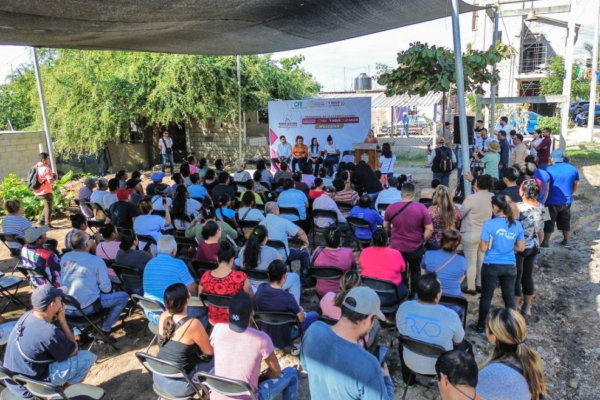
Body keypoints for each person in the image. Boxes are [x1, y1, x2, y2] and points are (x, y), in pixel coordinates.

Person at [3, 284, 97, 398]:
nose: (62, 300)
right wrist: (62, 321)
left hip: (15, 381)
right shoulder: (49, 332)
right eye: (59, 299)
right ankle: (59, 395)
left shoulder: (26, 316)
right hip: (33, 385)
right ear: (52, 305)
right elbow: (74, 350)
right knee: (86, 358)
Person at [301, 286, 394, 399]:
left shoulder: (313, 330)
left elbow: (305, 366)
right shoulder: (369, 365)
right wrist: (386, 378)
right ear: (369, 319)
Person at [211, 292, 299, 400]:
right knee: (292, 373)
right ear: (252, 313)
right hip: (249, 396)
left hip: (217, 395)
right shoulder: (261, 338)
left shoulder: (217, 329)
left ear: (228, 311)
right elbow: (276, 372)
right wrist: (262, 377)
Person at [397, 272, 471, 387]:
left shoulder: (403, 307)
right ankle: (461, 384)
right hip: (441, 367)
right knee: (467, 346)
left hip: (410, 362)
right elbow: (458, 341)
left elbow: (401, 331)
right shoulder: (450, 315)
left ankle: (408, 382)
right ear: (438, 294)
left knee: (402, 343)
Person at [471, 195, 525, 333]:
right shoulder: (517, 224)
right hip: (510, 265)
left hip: (491, 265)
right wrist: (510, 246)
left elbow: (483, 248)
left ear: (495, 207)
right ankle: (512, 328)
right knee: (509, 298)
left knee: (486, 297)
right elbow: (521, 248)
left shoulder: (489, 224)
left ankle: (481, 326)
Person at [60, 231, 129, 338]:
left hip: (67, 309)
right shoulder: (96, 261)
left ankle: (80, 331)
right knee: (124, 296)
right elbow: (106, 289)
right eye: (91, 238)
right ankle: (104, 328)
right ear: (87, 244)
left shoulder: (65, 257)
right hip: (88, 308)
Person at [154, 283, 214, 398]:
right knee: (217, 360)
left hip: (158, 378)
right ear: (188, 299)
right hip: (180, 386)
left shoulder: (164, 316)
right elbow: (209, 352)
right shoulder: (192, 324)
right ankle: (209, 396)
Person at [477, 308, 547, 400]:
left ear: (493, 337)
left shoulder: (495, 373)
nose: (485, 328)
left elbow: (468, 396)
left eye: (487, 326)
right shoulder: (527, 359)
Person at [255, 260, 319, 350]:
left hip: (266, 335)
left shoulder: (261, 288)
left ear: (268, 275)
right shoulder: (288, 298)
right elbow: (301, 319)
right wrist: (299, 309)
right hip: (285, 338)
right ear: (285, 276)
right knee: (315, 315)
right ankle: (299, 343)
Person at [144, 235, 207, 326]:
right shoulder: (178, 264)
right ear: (174, 251)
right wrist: (202, 297)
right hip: (170, 314)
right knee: (205, 310)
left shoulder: (149, 263)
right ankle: (193, 334)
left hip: (150, 312)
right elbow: (192, 289)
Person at [384, 183, 433, 295]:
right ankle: (414, 294)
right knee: (415, 271)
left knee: (401, 272)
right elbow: (429, 228)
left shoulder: (391, 207)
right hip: (415, 246)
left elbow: (385, 225)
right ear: (414, 194)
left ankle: (404, 293)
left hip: (397, 246)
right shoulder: (421, 208)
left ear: (401, 194)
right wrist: (424, 240)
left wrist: (390, 235)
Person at [238, 225, 301, 300]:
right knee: (295, 277)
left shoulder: (242, 250)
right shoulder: (272, 252)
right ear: (265, 238)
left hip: (249, 285)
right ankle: (294, 305)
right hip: (269, 286)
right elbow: (281, 268)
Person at [200, 241, 253, 325]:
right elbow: (250, 298)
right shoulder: (240, 277)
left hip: (214, 319)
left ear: (217, 258)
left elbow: (200, 296)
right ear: (232, 260)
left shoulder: (205, 276)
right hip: (235, 319)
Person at [259, 202, 311, 285]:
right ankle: (304, 279)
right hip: (283, 256)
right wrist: (306, 244)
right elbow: (301, 233)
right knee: (305, 253)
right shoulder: (284, 222)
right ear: (276, 211)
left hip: (265, 256)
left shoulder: (260, 224)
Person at [459, 173, 494, 294]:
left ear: (477, 184)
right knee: (481, 260)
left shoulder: (470, 198)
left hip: (470, 232)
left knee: (471, 261)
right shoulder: (492, 197)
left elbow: (460, 214)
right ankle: (480, 283)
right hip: (485, 234)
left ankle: (471, 286)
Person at [514, 180, 544, 316]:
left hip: (518, 247)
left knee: (516, 278)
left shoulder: (517, 207)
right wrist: (539, 244)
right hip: (533, 246)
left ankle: (514, 308)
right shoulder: (543, 208)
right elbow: (541, 230)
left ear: (522, 192)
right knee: (527, 277)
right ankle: (527, 308)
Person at [541, 149, 580, 248]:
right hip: (566, 201)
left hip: (549, 201)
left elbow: (545, 186)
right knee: (565, 220)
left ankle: (545, 242)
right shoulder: (572, 168)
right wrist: (571, 193)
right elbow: (577, 183)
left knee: (548, 221)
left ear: (552, 159)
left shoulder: (547, 170)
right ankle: (566, 240)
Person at [359, 228, 407, 303]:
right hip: (390, 295)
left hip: (369, 293)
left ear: (372, 240)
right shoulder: (396, 253)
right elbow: (403, 269)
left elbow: (361, 265)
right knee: (405, 289)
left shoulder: (364, 252)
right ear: (387, 240)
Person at [312, 227, 356, 297]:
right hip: (341, 292)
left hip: (321, 291)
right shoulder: (347, 252)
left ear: (325, 239)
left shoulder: (317, 251)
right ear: (340, 239)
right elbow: (353, 269)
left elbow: (311, 266)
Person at [421, 229, 467, 297]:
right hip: (453, 298)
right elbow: (460, 280)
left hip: (430, 295)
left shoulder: (428, 254)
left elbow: (423, 275)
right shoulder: (462, 260)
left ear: (441, 240)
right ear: (457, 244)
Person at [427, 185, 461, 250]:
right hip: (451, 241)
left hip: (435, 242)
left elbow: (428, 226)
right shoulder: (456, 209)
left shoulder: (432, 209)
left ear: (437, 196)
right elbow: (458, 224)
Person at [31, 152, 55, 227]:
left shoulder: (36, 167)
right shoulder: (46, 169)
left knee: (47, 205)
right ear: (43, 160)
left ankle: (41, 221)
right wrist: (54, 178)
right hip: (45, 191)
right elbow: (50, 181)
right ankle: (47, 224)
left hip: (37, 190)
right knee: (48, 207)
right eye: (48, 159)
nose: (49, 160)